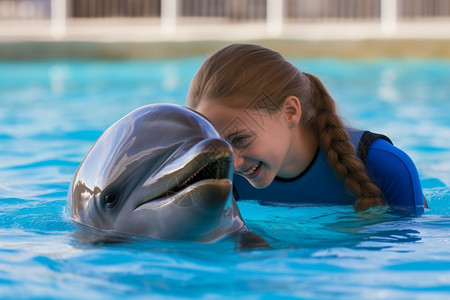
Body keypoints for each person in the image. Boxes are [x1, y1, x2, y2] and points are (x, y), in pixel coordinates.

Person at [187, 43, 427, 213]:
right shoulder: (224, 180)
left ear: (290, 112)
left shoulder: (385, 167)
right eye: (218, 145)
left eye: (240, 139)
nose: (234, 163)